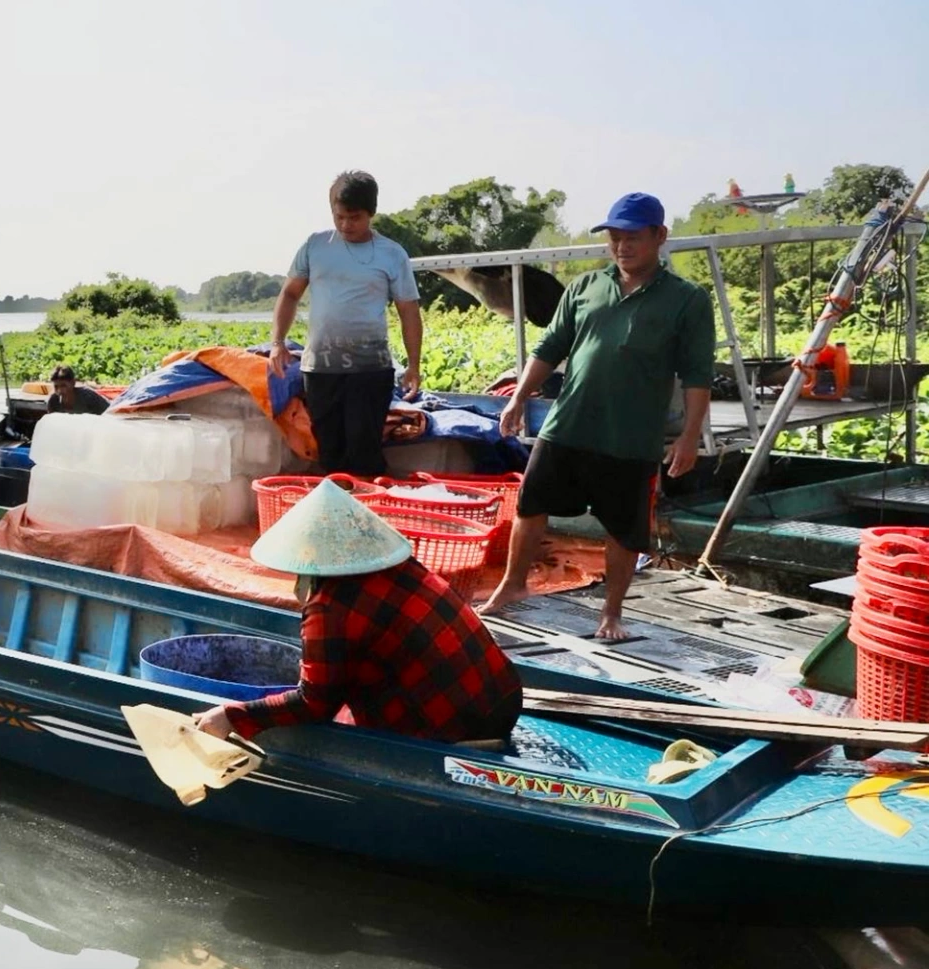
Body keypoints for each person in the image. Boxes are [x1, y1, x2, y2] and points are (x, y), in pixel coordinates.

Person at [479, 193, 714, 640]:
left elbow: (697, 374)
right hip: (568, 424)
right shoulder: (585, 287)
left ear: (659, 237)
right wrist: (518, 398)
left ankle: (612, 613)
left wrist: (689, 436)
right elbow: (550, 348)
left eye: (633, 237)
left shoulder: (686, 299)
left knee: (625, 528)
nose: (622, 246)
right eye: (615, 237)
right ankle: (512, 586)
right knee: (531, 503)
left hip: (631, 437)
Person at [194, 478, 522, 744]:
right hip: (503, 698)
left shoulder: (329, 608)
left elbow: (314, 704)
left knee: (336, 717)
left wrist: (232, 716)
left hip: (453, 726)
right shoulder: (402, 566)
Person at [267, 171, 423, 478]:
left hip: (370, 369)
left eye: (354, 218)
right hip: (320, 369)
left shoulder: (392, 254)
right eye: (339, 217)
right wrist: (277, 343)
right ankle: (336, 505)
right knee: (330, 453)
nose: (345, 225)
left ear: (371, 213)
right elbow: (290, 294)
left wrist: (414, 365)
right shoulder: (315, 246)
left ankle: (368, 505)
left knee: (364, 452)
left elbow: (409, 311)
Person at [44, 365, 109, 415]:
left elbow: (109, 412)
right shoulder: (53, 401)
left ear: (73, 383)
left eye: (63, 386)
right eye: (56, 386)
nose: (59, 390)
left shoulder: (88, 397)